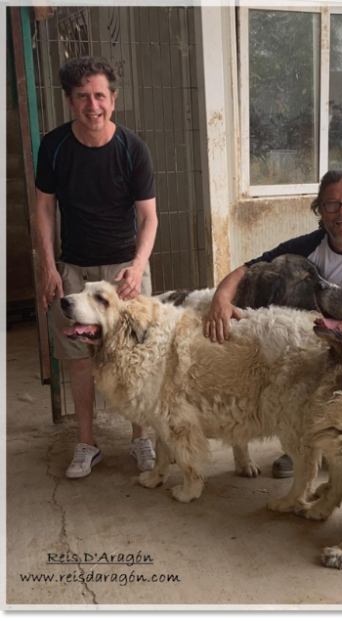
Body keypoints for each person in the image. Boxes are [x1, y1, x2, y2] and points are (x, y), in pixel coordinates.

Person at [204, 169, 342, 478]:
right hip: (324, 341)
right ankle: (301, 447)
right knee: (287, 284)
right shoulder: (312, 244)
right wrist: (221, 299)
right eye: (331, 204)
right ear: (320, 211)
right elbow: (250, 267)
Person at [35, 57, 159, 479]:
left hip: (124, 269)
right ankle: (87, 443)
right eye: (83, 96)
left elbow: (149, 218)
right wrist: (49, 267)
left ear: (114, 99)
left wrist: (138, 266)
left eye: (100, 96)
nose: (93, 105)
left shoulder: (131, 148)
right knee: (80, 357)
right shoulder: (53, 147)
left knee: (135, 353)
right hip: (74, 269)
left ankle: (141, 438)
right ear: (70, 101)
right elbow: (44, 210)